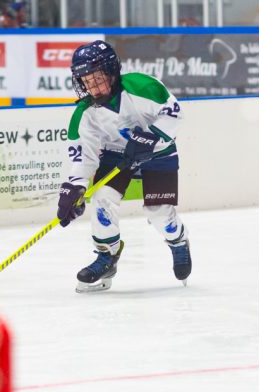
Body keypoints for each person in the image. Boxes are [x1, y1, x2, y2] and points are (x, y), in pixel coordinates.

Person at [57, 40, 191, 293]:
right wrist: (74, 187)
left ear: (111, 72)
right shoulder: (85, 112)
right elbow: (83, 157)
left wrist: (152, 137)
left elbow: (174, 113)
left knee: (158, 212)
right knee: (102, 198)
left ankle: (178, 241)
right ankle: (107, 256)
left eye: (97, 78)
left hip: (159, 152)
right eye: (86, 81)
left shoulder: (142, 86)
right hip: (116, 155)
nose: (92, 87)